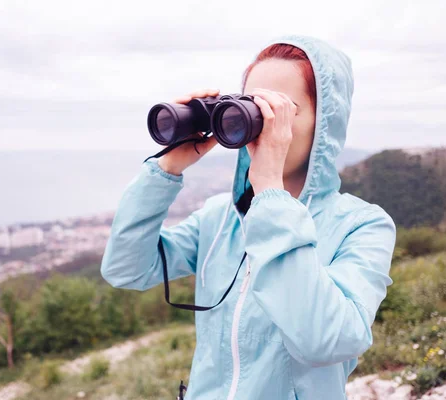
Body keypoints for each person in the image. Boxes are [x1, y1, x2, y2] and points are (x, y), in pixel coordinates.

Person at [100, 34, 396, 400]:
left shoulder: (362, 225)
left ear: (325, 123)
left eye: (281, 109)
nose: (264, 122)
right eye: (253, 107)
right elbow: (127, 269)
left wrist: (270, 191)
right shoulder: (220, 217)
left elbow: (327, 340)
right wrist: (168, 167)